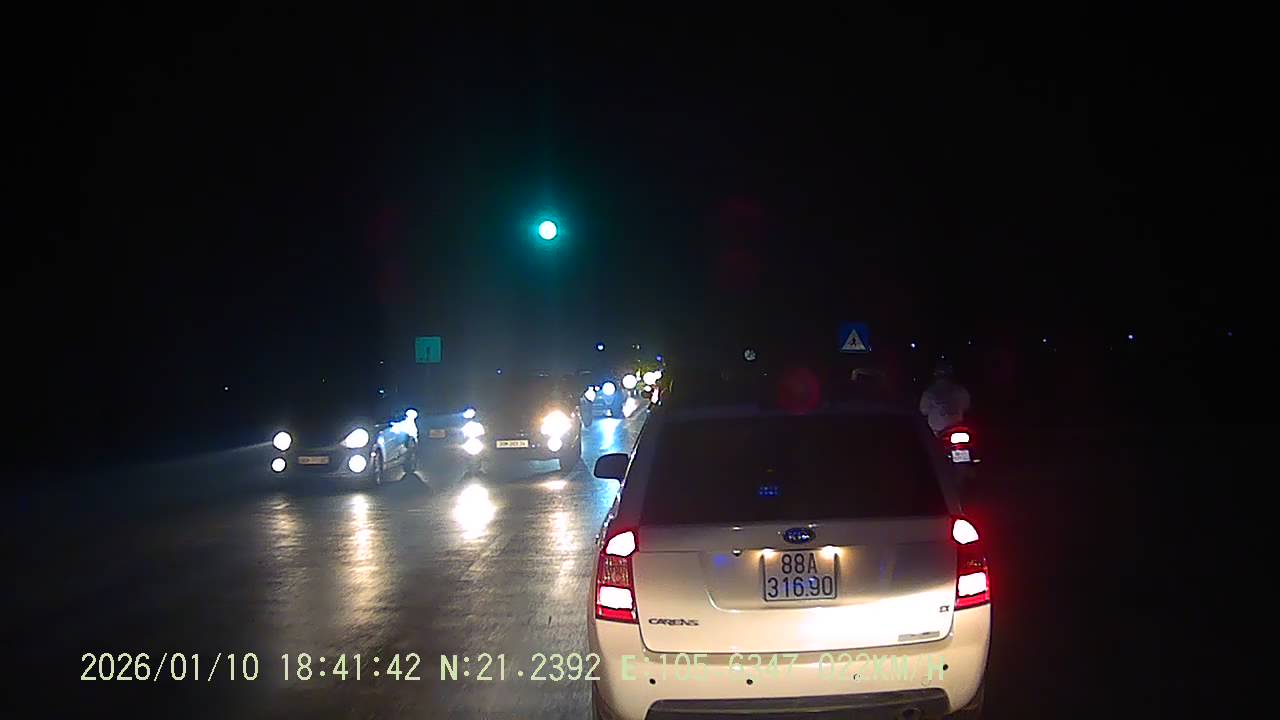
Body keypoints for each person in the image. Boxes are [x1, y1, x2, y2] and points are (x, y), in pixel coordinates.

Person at [919, 361, 971, 435]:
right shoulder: (960, 390)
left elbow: (923, 410)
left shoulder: (929, 392)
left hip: (939, 431)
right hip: (956, 428)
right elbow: (966, 406)